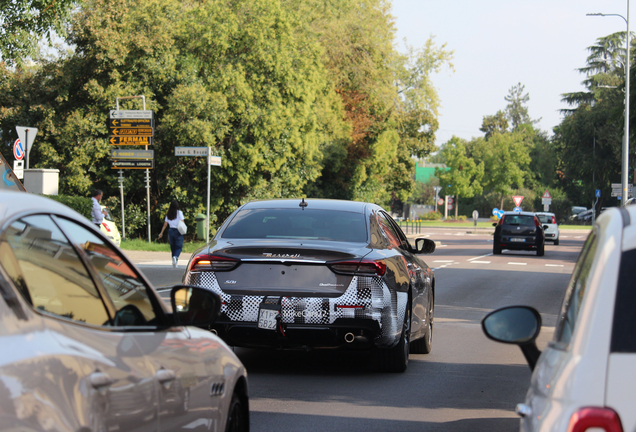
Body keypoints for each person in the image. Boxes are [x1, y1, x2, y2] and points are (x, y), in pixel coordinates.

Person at [158, 200, 185, 268]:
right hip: (178, 231)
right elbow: (182, 222)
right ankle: (175, 258)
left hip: (170, 231)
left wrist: (161, 233)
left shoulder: (168, 214)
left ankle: (174, 262)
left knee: (172, 247)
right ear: (177, 206)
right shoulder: (179, 213)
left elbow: (165, 224)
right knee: (179, 247)